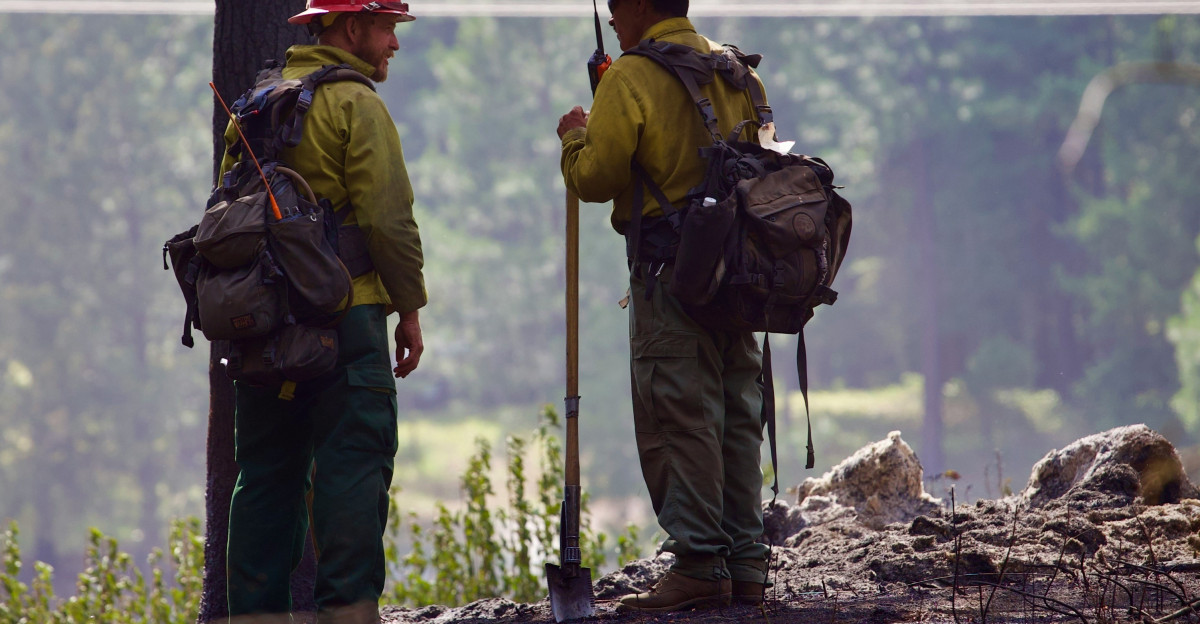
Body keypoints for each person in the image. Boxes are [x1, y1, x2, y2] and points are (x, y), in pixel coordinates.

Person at [556, 0, 773, 613]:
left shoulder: (630, 76)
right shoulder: (737, 71)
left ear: (637, 7)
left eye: (618, 9)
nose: (615, 22)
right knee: (736, 411)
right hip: (738, 277)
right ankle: (746, 564)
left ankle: (702, 564)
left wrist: (577, 134)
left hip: (668, 279)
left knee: (680, 415)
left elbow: (596, 179)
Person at [222, 1, 427, 622]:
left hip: (263, 329)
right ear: (352, 27)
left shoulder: (255, 106)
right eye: (387, 28)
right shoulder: (355, 104)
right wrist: (410, 310)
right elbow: (389, 221)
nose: (393, 43)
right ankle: (350, 615)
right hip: (349, 322)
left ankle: (254, 614)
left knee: (264, 475)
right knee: (353, 469)